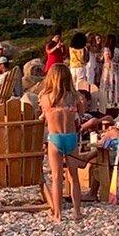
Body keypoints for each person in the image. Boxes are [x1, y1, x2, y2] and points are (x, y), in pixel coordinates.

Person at [35, 57, 86, 224]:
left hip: (54, 139)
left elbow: (42, 115)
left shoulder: (45, 97)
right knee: (74, 177)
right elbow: (82, 113)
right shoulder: (75, 97)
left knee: (56, 178)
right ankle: (77, 212)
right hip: (70, 137)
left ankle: (57, 214)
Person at [93, 33, 119, 115]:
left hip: (107, 70)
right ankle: (115, 102)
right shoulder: (118, 50)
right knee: (115, 86)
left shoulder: (105, 49)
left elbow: (101, 59)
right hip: (116, 70)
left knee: (106, 85)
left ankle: (106, 102)